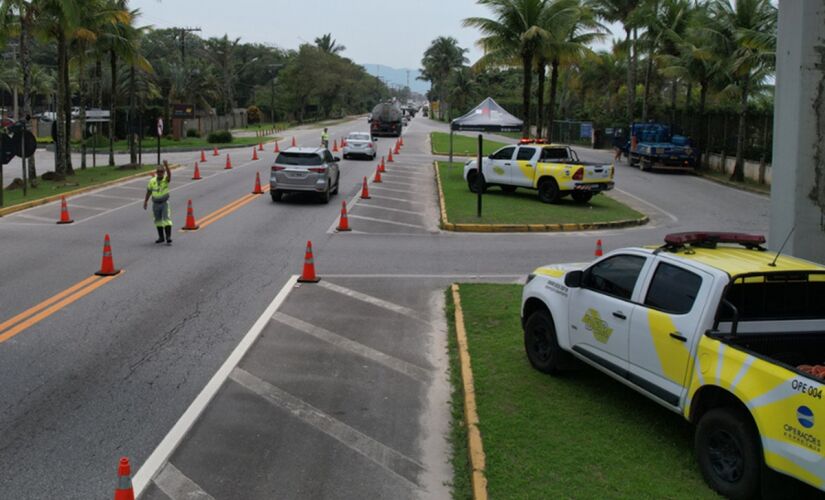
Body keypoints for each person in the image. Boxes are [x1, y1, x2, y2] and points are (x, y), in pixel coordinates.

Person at [143, 160, 173, 245]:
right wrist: (145, 201)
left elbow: (169, 175)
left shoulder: (165, 180)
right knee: (157, 220)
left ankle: (168, 237)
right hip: (155, 204)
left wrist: (166, 166)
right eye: (158, 171)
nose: (160, 173)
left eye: (161, 172)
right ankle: (161, 237)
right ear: (156, 172)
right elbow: (149, 191)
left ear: (164, 172)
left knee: (167, 219)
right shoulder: (152, 181)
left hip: (164, 203)